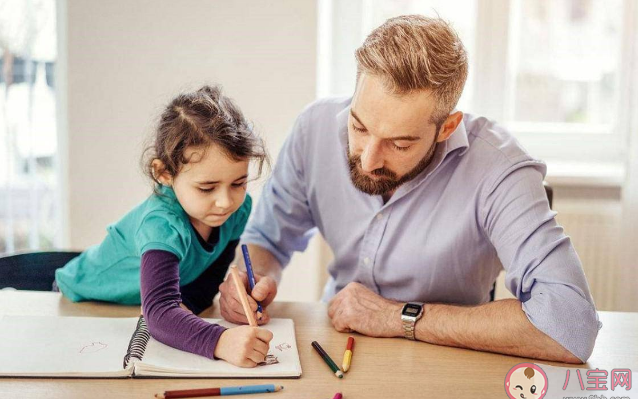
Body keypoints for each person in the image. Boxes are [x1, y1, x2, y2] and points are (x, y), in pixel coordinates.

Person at [218, 15, 601, 364]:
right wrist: (246, 284)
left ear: (447, 128)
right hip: (332, 347)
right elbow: (267, 238)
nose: (368, 160)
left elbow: (569, 325)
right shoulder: (313, 128)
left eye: (399, 144)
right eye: (359, 127)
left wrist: (397, 316)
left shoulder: (501, 169)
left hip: (451, 361)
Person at [55, 85, 273, 367]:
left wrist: (201, 314)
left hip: (134, 304)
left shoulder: (238, 209)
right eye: (207, 188)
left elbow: (204, 285)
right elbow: (158, 312)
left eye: (238, 183)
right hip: (82, 302)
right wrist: (219, 340)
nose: (225, 202)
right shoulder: (161, 224)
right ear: (164, 173)